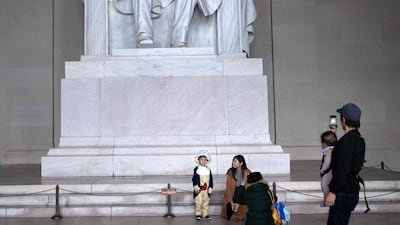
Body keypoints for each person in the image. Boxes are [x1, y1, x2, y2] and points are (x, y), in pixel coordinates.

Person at [325, 103, 366, 225]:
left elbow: (342, 169)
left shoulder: (345, 142)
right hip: (352, 189)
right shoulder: (359, 140)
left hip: (342, 192)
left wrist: (333, 191)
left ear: (343, 119)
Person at [221, 155, 251, 221]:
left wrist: (238, 200)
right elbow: (228, 188)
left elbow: (248, 187)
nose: (233, 163)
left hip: (242, 198)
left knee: (241, 214)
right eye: (233, 161)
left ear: (241, 163)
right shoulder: (231, 172)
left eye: (235, 161)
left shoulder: (247, 172)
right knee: (230, 216)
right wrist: (231, 201)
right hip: (232, 197)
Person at [192, 150, 213, 220]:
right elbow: (194, 179)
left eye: (205, 160)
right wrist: (196, 188)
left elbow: (211, 179)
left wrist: (210, 187)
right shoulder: (196, 169)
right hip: (199, 189)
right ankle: (198, 214)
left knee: (205, 202)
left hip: (206, 189)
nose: (203, 161)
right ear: (198, 160)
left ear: (207, 161)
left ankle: (205, 214)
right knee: (199, 202)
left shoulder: (208, 169)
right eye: (201, 159)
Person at [319, 130, 337, 205]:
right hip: (334, 171)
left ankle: (327, 201)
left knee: (325, 186)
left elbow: (327, 161)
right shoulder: (336, 149)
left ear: (324, 144)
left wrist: (323, 169)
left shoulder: (328, 151)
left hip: (328, 173)